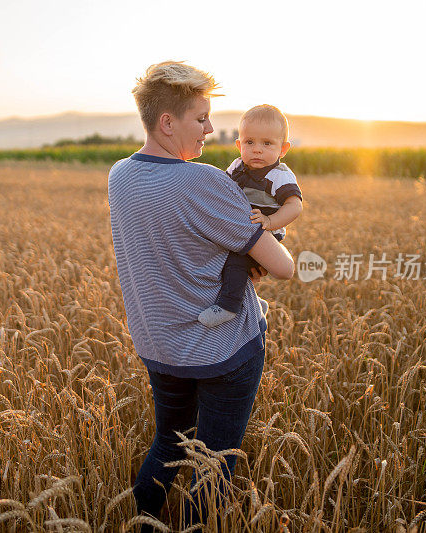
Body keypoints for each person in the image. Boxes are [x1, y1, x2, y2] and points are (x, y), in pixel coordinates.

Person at [107, 61, 294, 530]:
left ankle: (143, 523)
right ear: (167, 122)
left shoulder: (120, 175)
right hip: (224, 350)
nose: (212, 129)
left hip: (159, 346)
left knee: (167, 443)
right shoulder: (204, 181)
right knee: (214, 462)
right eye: (201, 118)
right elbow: (284, 267)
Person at [198, 104, 303, 328]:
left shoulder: (279, 176)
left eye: (267, 143)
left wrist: (270, 221)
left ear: (283, 149)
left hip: (265, 233)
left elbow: (294, 205)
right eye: (249, 142)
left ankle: (229, 306)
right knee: (223, 261)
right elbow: (222, 190)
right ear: (239, 145)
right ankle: (253, 302)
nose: (257, 149)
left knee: (235, 262)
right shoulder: (237, 167)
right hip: (240, 229)